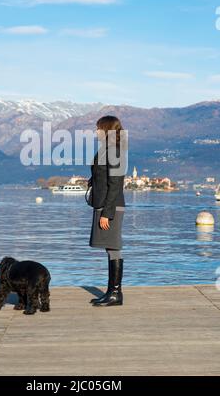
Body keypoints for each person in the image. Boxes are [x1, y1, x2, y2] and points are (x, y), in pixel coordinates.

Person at [88, 115, 126, 306]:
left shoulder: (115, 152)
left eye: (98, 128)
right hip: (103, 204)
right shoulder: (107, 150)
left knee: (113, 247)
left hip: (111, 207)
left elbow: (116, 184)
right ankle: (112, 292)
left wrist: (107, 213)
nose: (95, 131)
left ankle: (115, 293)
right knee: (110, 247)